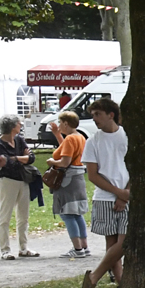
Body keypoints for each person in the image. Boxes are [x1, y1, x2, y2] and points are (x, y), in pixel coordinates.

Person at [78, 98, 131, 288]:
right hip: (104, 198)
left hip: (127, 196)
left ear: (111, 114)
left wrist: (125, 194)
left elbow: (136, 167)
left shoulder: (127, 137)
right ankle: (122, 286)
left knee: (125, 241)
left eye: (98, 114)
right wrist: (117, 192)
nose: (94, 119)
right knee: (112, 244)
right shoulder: (93, 141)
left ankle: (94, 277)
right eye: (92, 115)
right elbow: (93, 175)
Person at [0, 115, 38, 262]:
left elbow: (31, 158)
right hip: (7, 180)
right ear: (12, 126)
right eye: (18, 123)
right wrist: (21, 158)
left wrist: (15, 158)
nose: (21, 125)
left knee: (23, 216)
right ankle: (5, 250)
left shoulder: (19, 139)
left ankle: (23, 248)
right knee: (5, 215)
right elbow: (5, 163)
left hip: (23, 179)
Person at [49, 109, 91, 259]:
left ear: (66, 123)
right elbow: (66, 150)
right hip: (78, 178)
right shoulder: (79, 137)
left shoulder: (70, 139)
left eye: (60, 122)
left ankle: (77, 248)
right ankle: (84, 246)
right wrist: (57, 135)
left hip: (68, 180)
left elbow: (65, 161)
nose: (59, 125)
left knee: (67, 213)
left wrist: (52, 162)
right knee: (77, 213)